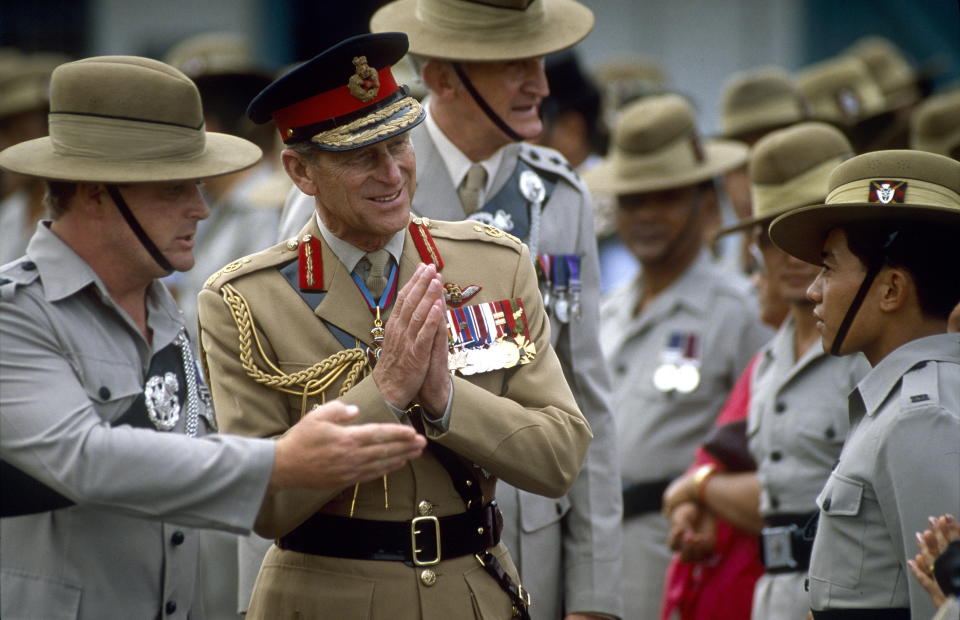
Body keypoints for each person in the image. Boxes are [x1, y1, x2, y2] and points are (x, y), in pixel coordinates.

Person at [0, 55, 426, 620]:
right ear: (96, 193)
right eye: (173, 188)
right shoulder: (16, 313)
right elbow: (82, 457)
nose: (200, 208)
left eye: (199, 185)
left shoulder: (166, 309)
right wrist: (276, 463)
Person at [197, 32, 591, 620]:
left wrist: (445, 400)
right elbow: (260, 504)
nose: (393, 173)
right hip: (324, 599)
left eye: (400, 144)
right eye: (362, 156)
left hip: (472, 593)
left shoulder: (495, 264)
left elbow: (560, 457)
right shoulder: (245, 301)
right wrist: (384, 394)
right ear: (300, 172)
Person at [672, 123, 871, 620]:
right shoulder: (768, 362)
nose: (791, 254)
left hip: (847, 596)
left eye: (809, 233)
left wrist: (699, 488)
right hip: (773, 595)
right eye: (772, 235)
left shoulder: (870, 353)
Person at [588, 93, 772, 619]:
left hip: (682, 546)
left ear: (704, 204)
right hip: (595, 548)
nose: (646, 215)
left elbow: (767, 449)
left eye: (665, 197)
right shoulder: (606, 312)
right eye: (632, 200)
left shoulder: (741, 312)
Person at [768, 148, 960, 619]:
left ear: (892, 289)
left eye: (830, 267)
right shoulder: (901, 403)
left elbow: (937, 606)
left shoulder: (920, 418)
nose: (814, 290)